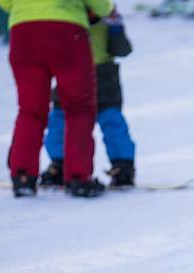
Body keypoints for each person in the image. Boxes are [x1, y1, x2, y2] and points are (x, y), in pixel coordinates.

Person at [0, 0, 112, 197]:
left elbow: (4, 3)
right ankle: (78, 177)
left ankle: (23, 176)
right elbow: (101, 6)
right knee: (79, 108)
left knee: (30, 109)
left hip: (23, 33)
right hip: (67, 32)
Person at [39, 7, 136, 189]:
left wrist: (116, 28)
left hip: (103, 80)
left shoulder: (106, 14)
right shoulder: (65, 14)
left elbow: (123, 50)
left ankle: (123, 166)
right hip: (70, 76)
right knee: (58, 123)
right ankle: (60, 164)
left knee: (113, 123)